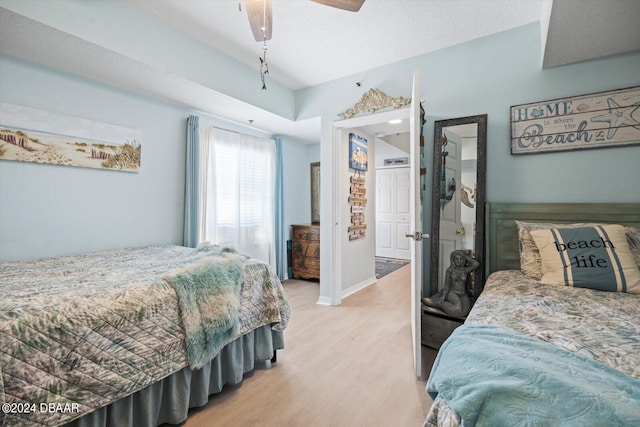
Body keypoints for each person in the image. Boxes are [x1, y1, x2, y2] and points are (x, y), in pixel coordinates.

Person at [422, 250, 480, 318]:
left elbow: (476, 264)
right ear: (453, 259)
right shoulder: (449, 270)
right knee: (458, 310)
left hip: (462, 294)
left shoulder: (465, 270)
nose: (459, 260)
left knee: (465, 312)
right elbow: (446, 286)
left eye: (461, 259)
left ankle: (436, 302)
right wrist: (443, 297)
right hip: (452, 293)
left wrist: (465, 256)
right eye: (457, 258)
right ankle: (439, 304)